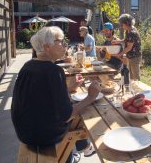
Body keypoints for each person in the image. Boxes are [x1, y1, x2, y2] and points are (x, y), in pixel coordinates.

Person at [11, 26, 101, 163]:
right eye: (60, 41)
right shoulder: (54, 71)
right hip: (44, 137)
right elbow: (66, 115)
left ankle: (78, 150)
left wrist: (70, 88)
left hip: (24, 132)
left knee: (75, 106)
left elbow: (41, 96)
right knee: (82, 115)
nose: (65, 44)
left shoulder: (28, 66)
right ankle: (76, 152)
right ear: (47, 46)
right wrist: (91, 97)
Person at [112, 14, 142, 81]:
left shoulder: (132, 32)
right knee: (131, 76)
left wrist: (120, 54)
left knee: (135, 77)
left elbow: (129, 47)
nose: (121, 26)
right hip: (131, 56)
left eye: (122, 24)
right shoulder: (128, 31)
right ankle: (132, 89)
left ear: (127, 23)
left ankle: (138, 90)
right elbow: (127, 40)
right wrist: (118, 41)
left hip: (135, 56)